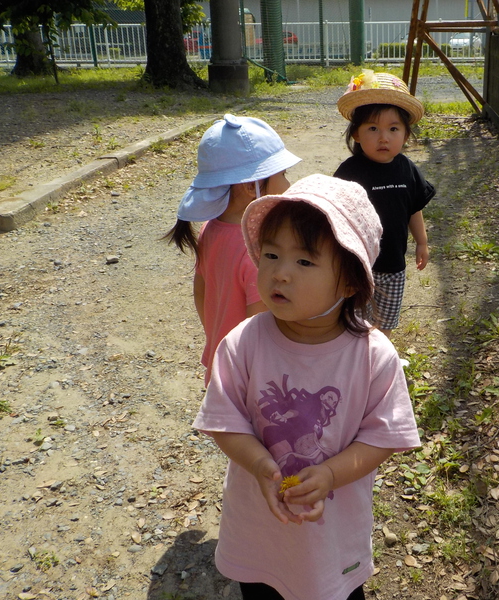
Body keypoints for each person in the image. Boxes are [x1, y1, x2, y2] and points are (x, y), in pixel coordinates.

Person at [192, 174, 422, 600]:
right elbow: (223, 421)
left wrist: (332, 472)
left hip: (333, 540)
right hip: (259, 526)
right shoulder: (244, 342)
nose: (280, 273)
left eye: (304, 262)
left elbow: (385, 435)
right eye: (271, 254)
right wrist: (261, 465)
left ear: (350, 281)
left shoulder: (372, 355)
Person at [165, 114, 301, 386]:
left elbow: (201, 293)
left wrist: (216, 335)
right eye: (283, 175)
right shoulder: (257, 251)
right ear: (252, 187)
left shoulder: (211, 228)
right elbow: (260, 327)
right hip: (252, 376)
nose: (289, 184)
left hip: (223, 362)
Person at [334, 70, 436, 337]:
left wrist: (422, 242)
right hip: (357, 263)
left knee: (386, 323)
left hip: (393, 263)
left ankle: (381, 359)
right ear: (356, 134)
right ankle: (355, 359)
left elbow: (414, 207)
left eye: (393, 129)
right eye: (373, 128)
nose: (384, 137)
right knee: (354, 320)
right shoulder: (349, 172)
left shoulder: (407, 169)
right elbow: (335, 215)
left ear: (405, 134)